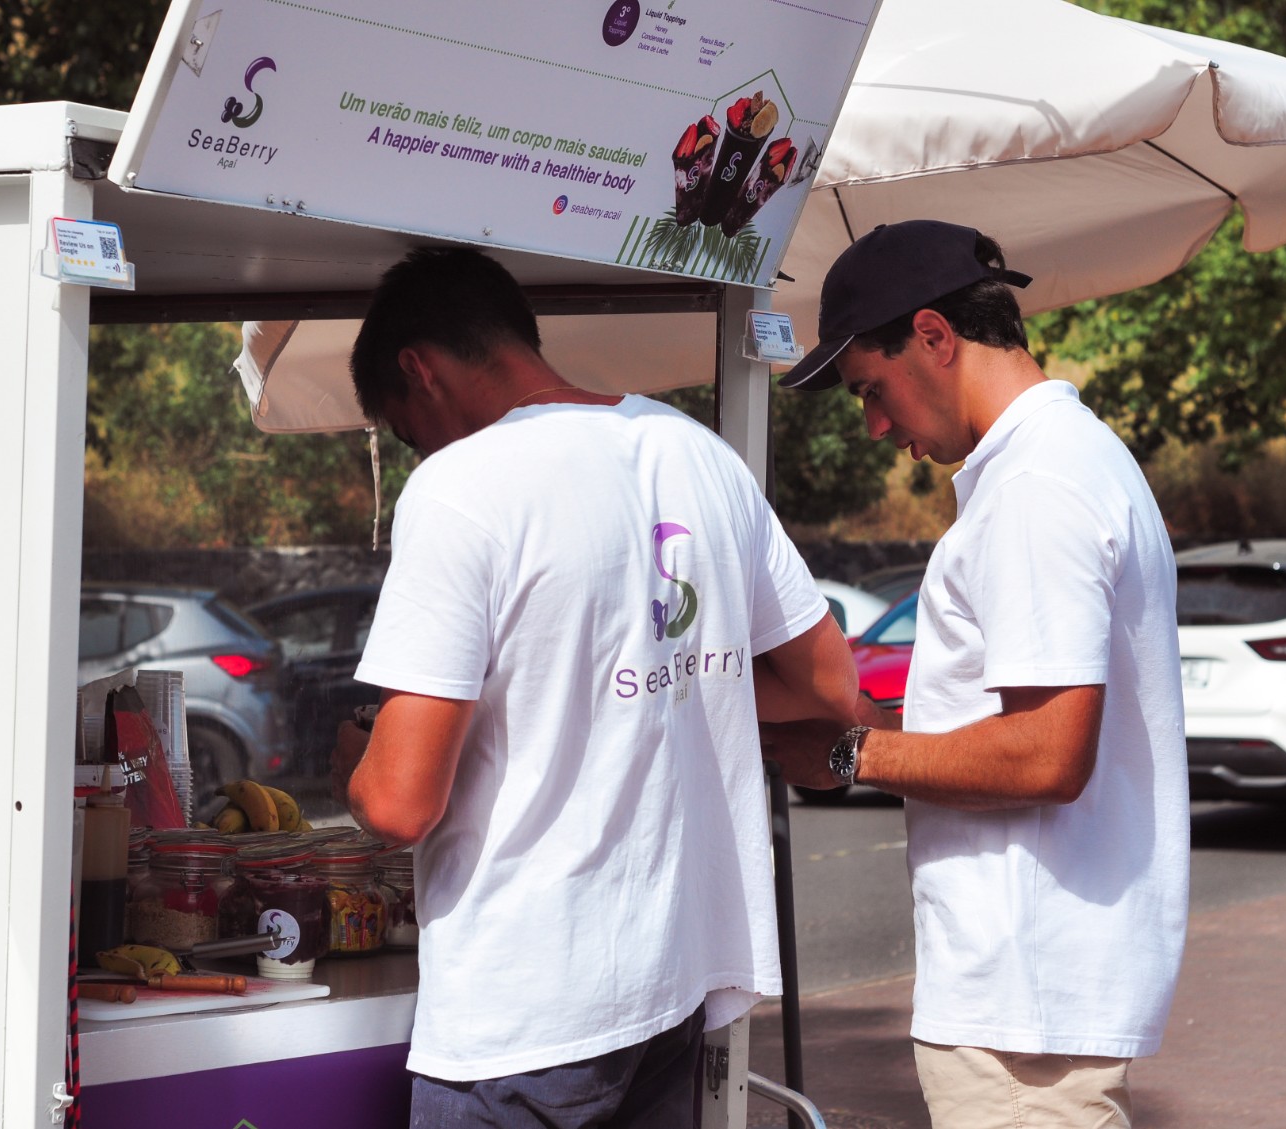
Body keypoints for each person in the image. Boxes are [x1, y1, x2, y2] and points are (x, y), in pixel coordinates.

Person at [331, 246, 860, 1128]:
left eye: (406, 428)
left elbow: (398, 803)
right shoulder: (698, 453)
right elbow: (829, 682)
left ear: (417, 371)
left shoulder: (460, 487)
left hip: (522, 1012)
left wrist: (359, 752)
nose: (419, 446)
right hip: (672, 984)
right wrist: (678, 687)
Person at [765, 220, 1189, 1129]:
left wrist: (850, 754)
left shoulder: (1037, 485)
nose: (876, 426)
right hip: (1036, 996)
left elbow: (1047, 756)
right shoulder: (1066, 461)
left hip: (1022, 1010)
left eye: (870, 391)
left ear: (933, 336)